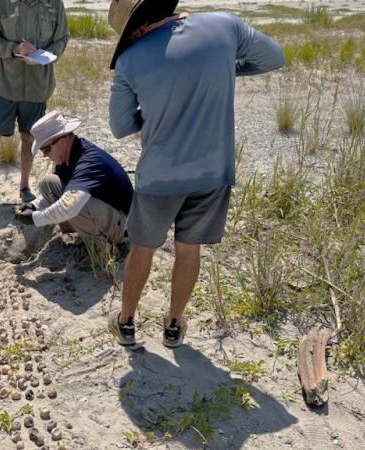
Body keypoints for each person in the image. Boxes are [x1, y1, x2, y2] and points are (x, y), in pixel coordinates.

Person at [106, 0, 284, 347]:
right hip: (213, 171)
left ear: (135, 29)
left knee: (142, 249)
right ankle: (173, 325)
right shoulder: (223, 26)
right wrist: (225, 71)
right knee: (189, 249)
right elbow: (274, 57)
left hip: (160, 176)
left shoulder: (130, 60)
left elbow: (119, 126)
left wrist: (157, 109)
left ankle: (126, 323)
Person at [0, 0, 69, 205]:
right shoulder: (1, 3)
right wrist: (14, 49)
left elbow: (62, 39)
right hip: (5, 86)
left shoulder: (55, 3)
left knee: (29, 138)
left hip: (38, 88)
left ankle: (24, 187)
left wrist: (43, 57)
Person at [15, 110, 133, 248]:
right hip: (107, 214)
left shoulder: (88, 162)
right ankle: (83, 233)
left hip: (125, 226)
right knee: (48, 183)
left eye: (46, 149)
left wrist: (34, 218)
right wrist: (33, 206)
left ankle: (102, 249)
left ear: (62, 142)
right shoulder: (69, 156)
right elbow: (61, 192)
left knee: (74, 204)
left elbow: (68, 207)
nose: (45, 155)